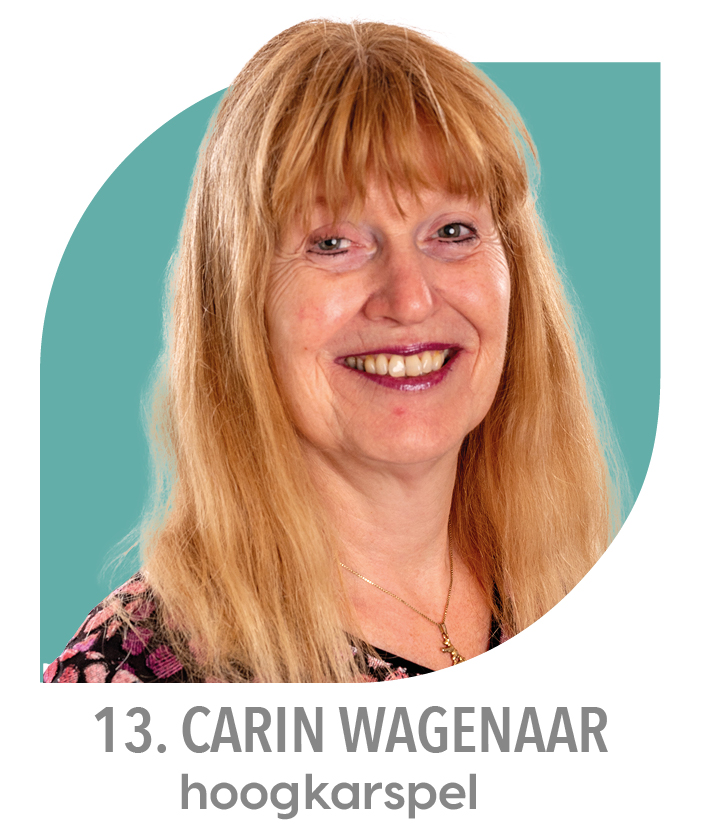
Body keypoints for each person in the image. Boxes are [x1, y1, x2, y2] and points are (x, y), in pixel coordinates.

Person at [44, 19, 623, 684]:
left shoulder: (587, 596)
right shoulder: (132, 680)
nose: (409, 300)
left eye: (452, 231)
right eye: (333, 243)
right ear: (239, 300)